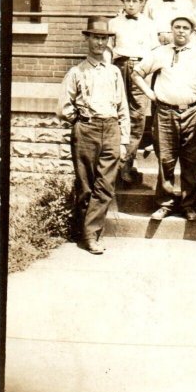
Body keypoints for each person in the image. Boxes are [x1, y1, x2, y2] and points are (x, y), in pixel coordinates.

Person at [131, 13, 196, 221]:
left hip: (193, 113)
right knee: (166, 160)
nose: (180, 31)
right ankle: (166, 203)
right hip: (165, 112)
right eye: (177, 27)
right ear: (172, 30)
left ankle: (188, 205)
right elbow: (136, 73)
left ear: (192, 32)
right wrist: (151, 94)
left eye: (185, 28)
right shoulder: (160, 52)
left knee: (191, 161)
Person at [57, 17, 130, 255]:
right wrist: (80, 120)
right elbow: (64, 108)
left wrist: (124, 140)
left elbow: (123, 109)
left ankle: (89, 235)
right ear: (87, 39)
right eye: (96, 37)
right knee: (86, 185)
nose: (100, 42)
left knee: (106, 185)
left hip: (110, 129)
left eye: (104, 38)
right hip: (86, 130)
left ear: (108, 42)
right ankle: (86, 231)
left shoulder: (114, 72)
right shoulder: (76, 72)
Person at [108, 0, 159, 184]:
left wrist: (145, 70)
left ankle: (126, 165)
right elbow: (108, 50)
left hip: (139, 68)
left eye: (135, 1)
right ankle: (114, 162)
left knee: (137, 116)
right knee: (118, 112)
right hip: (119, 67)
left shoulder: (149, 24)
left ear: (140, 3)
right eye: (127, 1)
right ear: (123, 2)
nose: (131, 4)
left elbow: (154, 50)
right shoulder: (114, 23)